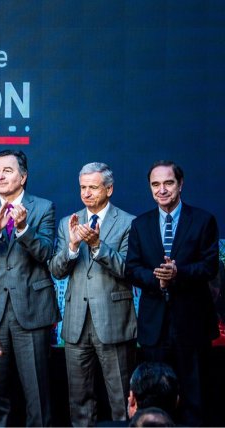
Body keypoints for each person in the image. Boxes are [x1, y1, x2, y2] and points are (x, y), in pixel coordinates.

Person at [0, 149, 60, 427]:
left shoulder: (43, 207)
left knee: (37, 396)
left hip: (31, 311)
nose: (0, 176)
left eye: (7, 170)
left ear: (23, 176)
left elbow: (46, 254)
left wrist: (23, 230)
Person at [126, 160, 219, 426]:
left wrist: (178, 274)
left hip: (192, 324)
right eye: (156, 184)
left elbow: (210, 266)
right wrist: (159, 280)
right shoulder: (140, 224)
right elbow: (132, 268)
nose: (162, 189)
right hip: (154, 326)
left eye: (168, 183)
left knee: (195, 396)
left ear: (180, 184)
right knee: (154, 396)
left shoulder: (202, 220)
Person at [48, 162, 137, 426]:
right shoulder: (68, 222)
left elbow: (128, 270)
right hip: (76, 324)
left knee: (121, 400)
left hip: (113, 323)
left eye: (93, 187)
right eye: (83, 188)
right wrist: (73, 246)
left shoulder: (129, 223)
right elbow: (56, 269)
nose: (86, 193)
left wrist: (98, 246)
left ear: (109, 189)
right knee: (79, 401)